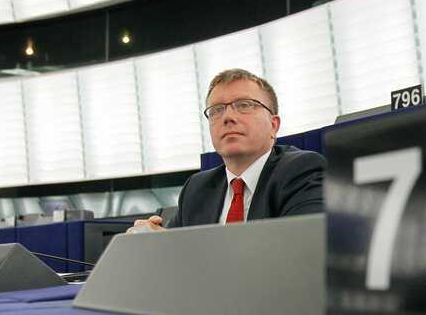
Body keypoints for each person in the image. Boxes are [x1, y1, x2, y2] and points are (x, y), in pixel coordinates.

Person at [127, 68, 324, 232]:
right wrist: (152, 241)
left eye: (244, 105)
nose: (228, 117)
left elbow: (298, 252)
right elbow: (173, 250)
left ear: (273, 125)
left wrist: (182, 251)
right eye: (216, 110)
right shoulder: (196, 188)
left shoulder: (302, 171)